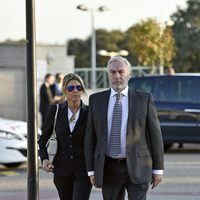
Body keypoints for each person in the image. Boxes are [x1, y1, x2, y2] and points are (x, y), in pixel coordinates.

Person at [84, 56, 164, 200]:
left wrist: (158, 168)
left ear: (129, 74)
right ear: (108, 74)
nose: (117, 76)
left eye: (121, 72)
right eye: (112, 72)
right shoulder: (96, 100)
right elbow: (90, 138)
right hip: (108, 168)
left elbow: (155, 136)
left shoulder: (144, 99)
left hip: (138, 165)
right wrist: (91, 170)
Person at [38, 73, 92, 200]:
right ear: (64, 91)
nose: (75, 91)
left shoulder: (90, 112)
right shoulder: (55, 111)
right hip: (61, 172)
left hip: (84, 172)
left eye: (78, 88)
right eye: (70, 88)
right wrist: (44, 159)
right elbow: (43, 139)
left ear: (82, 90)